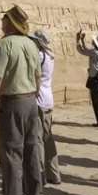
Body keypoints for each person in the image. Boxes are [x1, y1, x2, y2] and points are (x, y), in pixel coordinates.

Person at [0, 5, 44, 195]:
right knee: (31, 152)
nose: (1, 22)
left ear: (9, 23)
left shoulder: (4, 45)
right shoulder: (31, 44)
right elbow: (38, 78)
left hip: (12, 103)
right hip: (30, 101)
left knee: (11, 154)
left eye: (3, 19)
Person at [32, 28, 61, 185]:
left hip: (39, 101)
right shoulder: (50, 56)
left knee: (37, 140)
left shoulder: (40, 55)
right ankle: (53, 173)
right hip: (48, 100)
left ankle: (40, 174)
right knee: (48, 138)